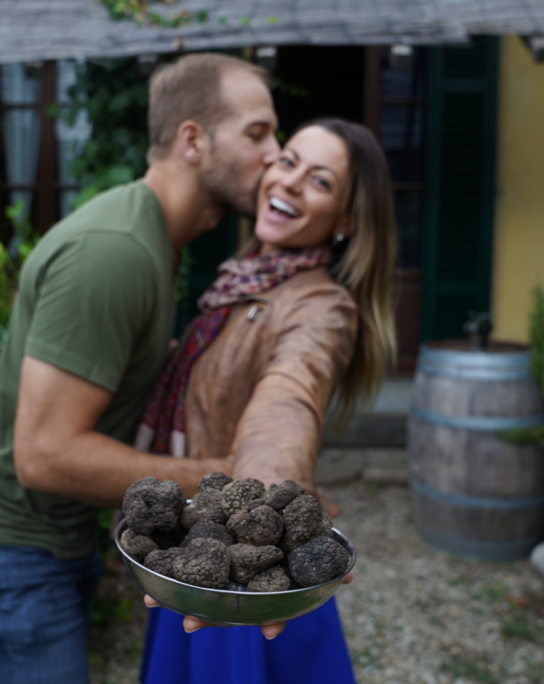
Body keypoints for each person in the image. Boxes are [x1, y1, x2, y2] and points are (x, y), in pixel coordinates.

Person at [0, 52, 281, 684]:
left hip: (43, 545)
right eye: (257, 133)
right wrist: (218, 480)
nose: (276, 154)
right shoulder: (115, 254)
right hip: (3, 552)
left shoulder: (154, 241)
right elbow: (44, 455)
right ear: (192, 140)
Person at [136, 117, 398, 684]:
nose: (291, 182)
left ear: (347, 219)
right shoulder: (239, 285)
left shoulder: (320, 307)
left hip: (239, 586)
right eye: (288, 161)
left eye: (321, 181)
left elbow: (288, 400)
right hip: (199, 555)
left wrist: (260, 531)